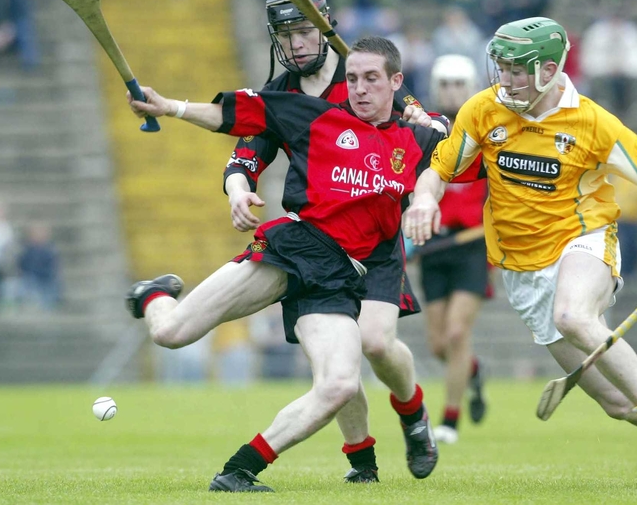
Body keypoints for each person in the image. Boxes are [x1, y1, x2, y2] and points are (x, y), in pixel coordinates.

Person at [403, 17, 637, 486]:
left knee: (573, 315)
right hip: (522, 270)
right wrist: (426, 197)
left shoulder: (590, 122)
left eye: (516, 70)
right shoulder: (484, 109)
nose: (504, 79)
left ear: (549, 70)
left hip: (583, 240)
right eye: (501, 67)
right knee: (615, 404)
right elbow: (440, 169)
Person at [126, 36, 455, 492]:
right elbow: (231, 115)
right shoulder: (314, 115)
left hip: (341, 278)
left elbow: (459, 158)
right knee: (170, 334)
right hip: (294, 250)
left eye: (371, 80)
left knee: (340, 383)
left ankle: (237, 471)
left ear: (396, 83)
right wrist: (171, 108)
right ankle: (154, 296)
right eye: (353, 79)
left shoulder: (417, 136)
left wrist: (433, 151)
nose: (358, 89)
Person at [224, 0, 448, 483]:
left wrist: (434, 123)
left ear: (325, 28)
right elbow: (245, 157)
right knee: (337, 363)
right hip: (320, 245)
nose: (297, 43)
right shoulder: (279, 95)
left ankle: (413, 414)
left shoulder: (360, 75)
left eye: (305, 30)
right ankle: (362, 465)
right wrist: (238, 189)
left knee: (375, 342)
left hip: (377, 243)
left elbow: (427, 130)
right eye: (286, 34)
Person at [416, 54, 489, 445]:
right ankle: (474, 371)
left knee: (458, 332)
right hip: (434, 245)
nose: (452, 92)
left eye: (459, 84)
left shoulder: (487, 127)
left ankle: (450, 419)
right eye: (445, 84)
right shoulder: (423, 130)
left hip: (472, 244)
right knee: (439, 345)